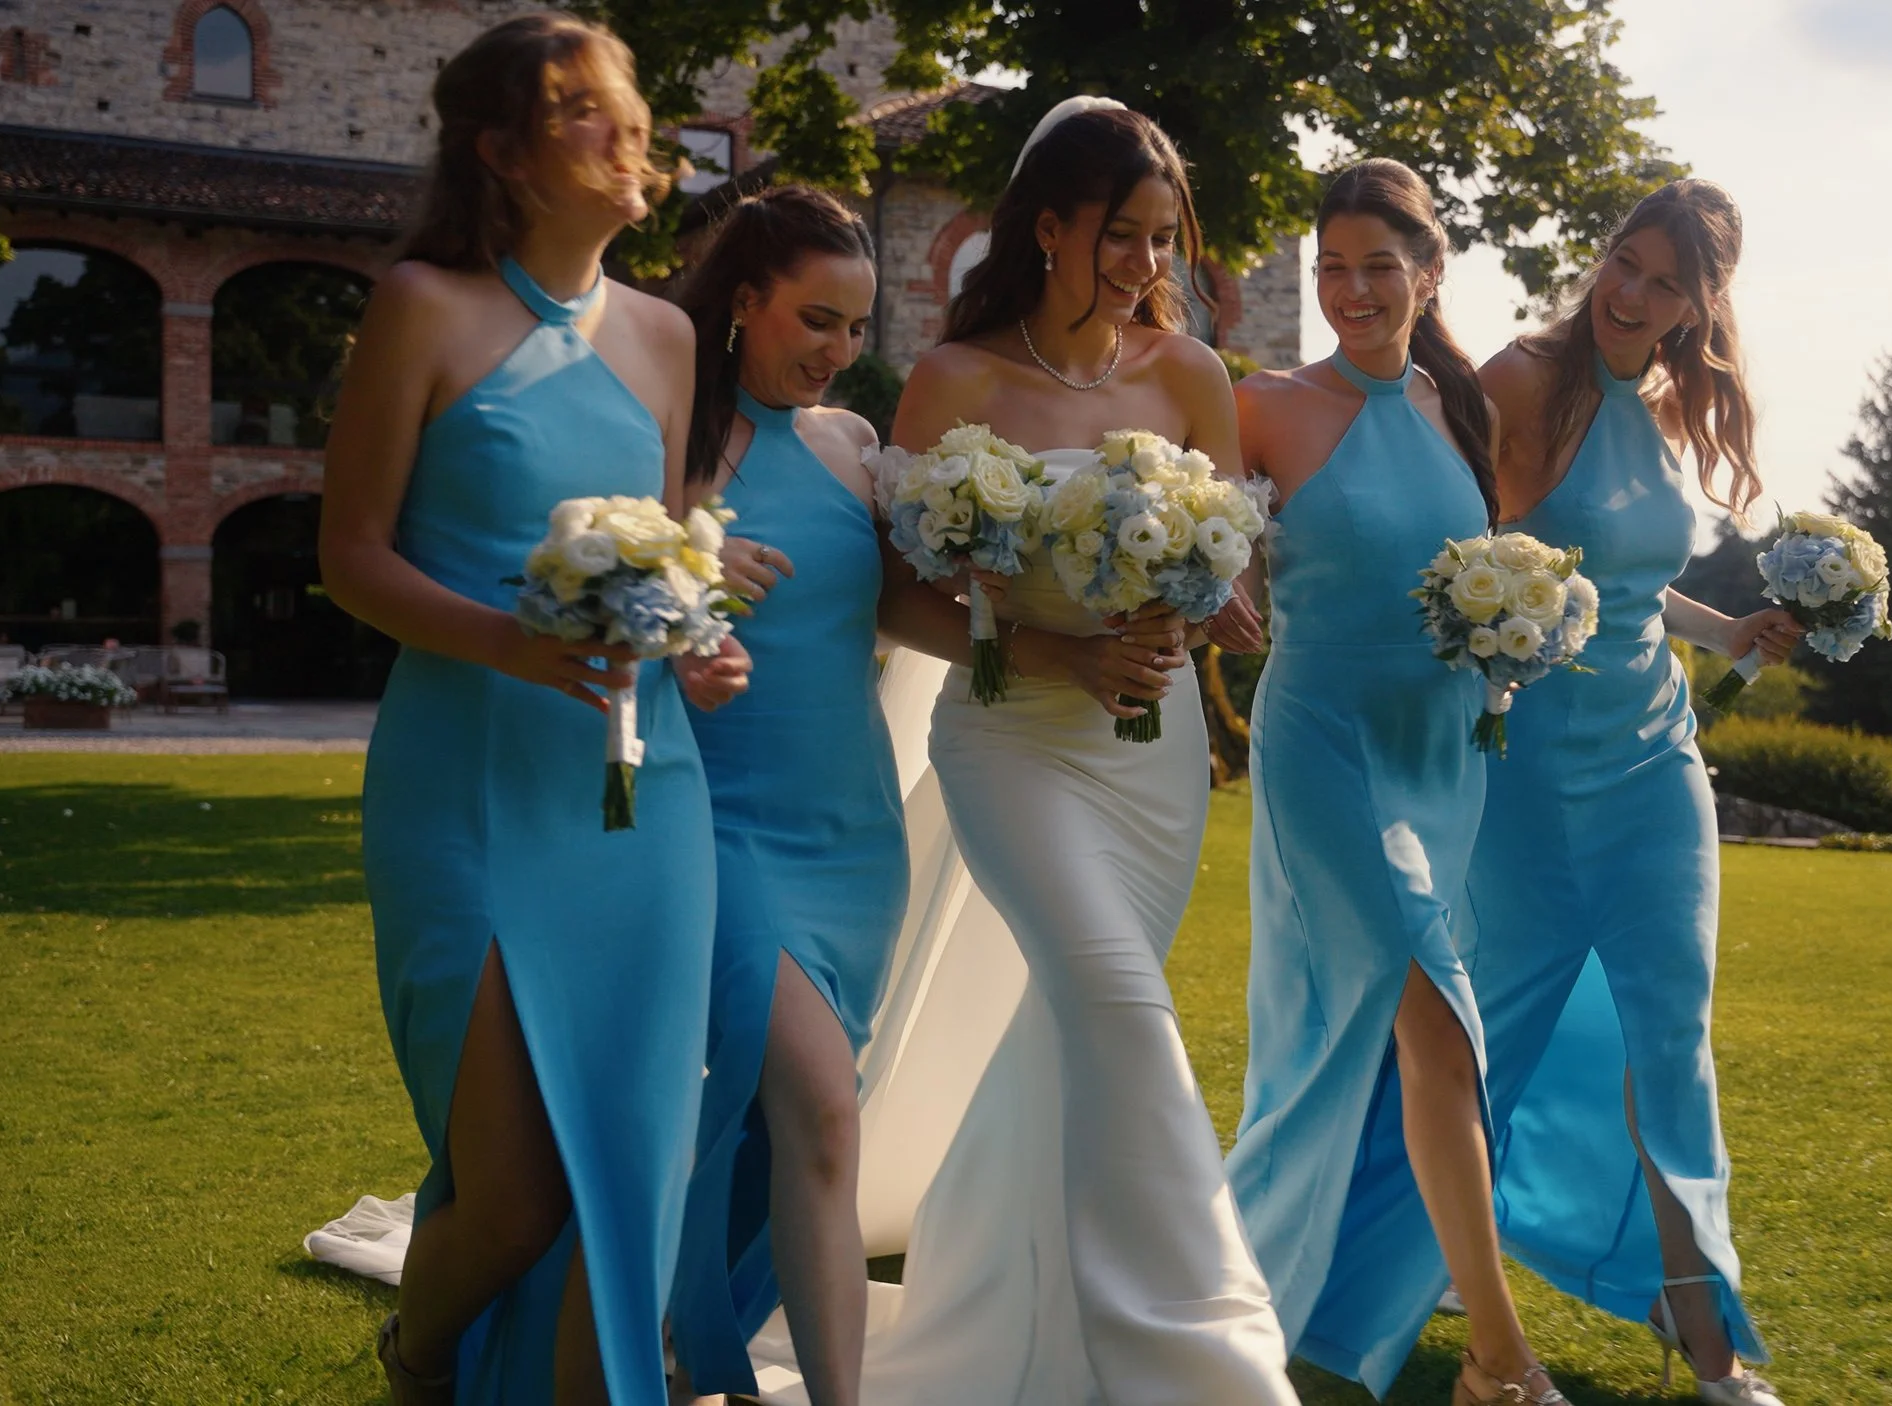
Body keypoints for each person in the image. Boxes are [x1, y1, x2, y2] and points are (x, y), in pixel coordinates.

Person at [824, 98, 1299, 1405]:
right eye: (1123, 237)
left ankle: (1028, 1312)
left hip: (1150, 747)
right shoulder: (958, 382)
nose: (1148, 268)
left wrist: (1207, 596)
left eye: (1164, 241)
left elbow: (1225, 568)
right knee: (1121, 1006)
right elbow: (893, 591)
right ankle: (1204, 1358)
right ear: (1048, 226)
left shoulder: (1190, 376)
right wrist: (1054, 649)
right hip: (1012, 739)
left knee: (1076, 1028)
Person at [317, 16, 748, 1404]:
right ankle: (421, 1353)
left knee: (632, 1159)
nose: (627, 133)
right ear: (501, 152)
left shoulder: (672, 337)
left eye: (627, 105)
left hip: (644, 789)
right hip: (472, 781)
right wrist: (506, 642)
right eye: (581, 111)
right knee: (510, 1194)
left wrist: (701, 643)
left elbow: (660, 558)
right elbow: (351, 557)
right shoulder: (423, 307)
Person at [1225, 159, 1567, 1406]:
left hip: (1442, 759)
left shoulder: (1457, 406)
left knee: (1353, 1047)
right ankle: (1499, 1358)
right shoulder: (1263, 403)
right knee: (1437, 1024)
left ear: (1428, 273)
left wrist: (1514, 643)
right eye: (1331, 268)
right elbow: (1206, 560)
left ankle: (1249, 1294)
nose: (1351, 291)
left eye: (1378, 266)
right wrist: (1223, 608)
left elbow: (1494, 564)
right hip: (1321, 747)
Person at [1467, 178, 1800, 1406]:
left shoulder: (1665, 407)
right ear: (1600, 255)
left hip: (1657, 759)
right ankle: (1446, 1244)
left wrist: (1730, 629)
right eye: (1625, 260)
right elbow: (1482, 567)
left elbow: (1625, 579)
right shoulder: (1513, 380)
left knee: (1671, 1033)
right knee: (1495, 1026)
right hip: (1531, 770)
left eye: (1667, 283)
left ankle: (1705, 1337)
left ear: (1697, 309)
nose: (1632, 294)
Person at [661, 185, 904, 1406]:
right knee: (817, 1108)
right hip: (717, 822)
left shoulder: (854, 445)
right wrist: (685, 588)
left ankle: (682, 1331)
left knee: (774, 1127)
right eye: (816, 319)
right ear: (741, 301)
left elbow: (901, 610)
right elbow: (597, 598)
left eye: (856, 328)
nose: (837, 351)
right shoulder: (669, 444)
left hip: (856, 833)